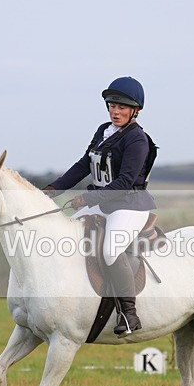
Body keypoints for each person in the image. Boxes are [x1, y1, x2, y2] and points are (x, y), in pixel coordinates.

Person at [43, 76, 156, 335]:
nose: (115, 111)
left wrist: (88, 198)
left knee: (109, 250)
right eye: (112, 106)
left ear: (135, 110)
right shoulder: (104, 131)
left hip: (129, 206)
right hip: (103, 203)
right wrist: (54, 188)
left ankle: (129, 314)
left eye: (122, 107)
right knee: (66, 232)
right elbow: (85, 164)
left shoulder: (137, 140)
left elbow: (126, 182)